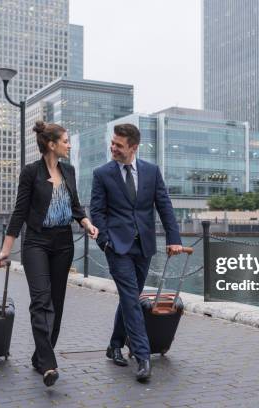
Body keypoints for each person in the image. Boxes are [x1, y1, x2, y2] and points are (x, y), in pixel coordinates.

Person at [0, 121, 98, 388]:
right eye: (65, 140)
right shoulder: (31, 172)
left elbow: (76, 206)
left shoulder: (70, 171)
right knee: (41, 302)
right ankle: (49, 365)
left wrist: (87, 224)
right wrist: (6, 250)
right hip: (37, 243)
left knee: (57, 305)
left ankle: (41, 355)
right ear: (51, 144)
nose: (69, 144)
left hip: (63, 242)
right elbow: (19, 212)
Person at [90, 123, 183, 382]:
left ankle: (114, 344)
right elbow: (96, 211)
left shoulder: (151, 172)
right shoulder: (102, 174)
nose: (113, 148)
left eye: (119, 145)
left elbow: (164, 206)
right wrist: (105, 242)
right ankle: (142, 356)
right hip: (116, 247)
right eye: (113, 143)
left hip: (144, 246)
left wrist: (174, 239)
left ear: (133, 147)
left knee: (129, 297)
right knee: (131, 298)